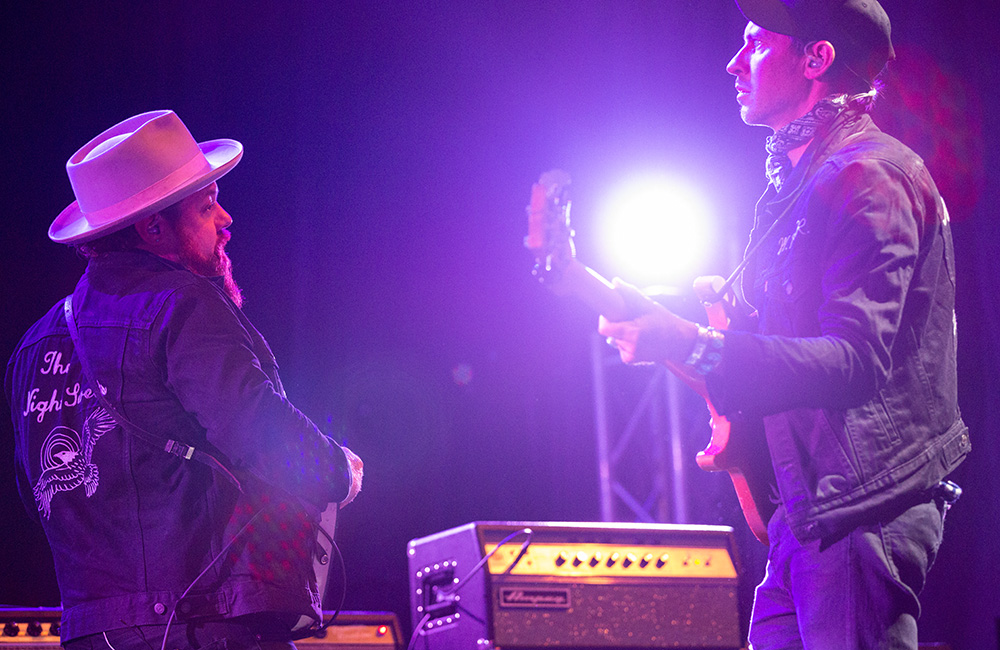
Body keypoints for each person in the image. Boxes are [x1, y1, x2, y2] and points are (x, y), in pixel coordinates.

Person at [597, 0, 970, 647]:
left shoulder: (868, 176)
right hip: (813, 514)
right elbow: (773, 352)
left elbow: (855, 363)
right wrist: (691, 326)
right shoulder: (797, 186)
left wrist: (694, 343)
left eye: (755, 44)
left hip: (864, 508)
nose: (734, 63)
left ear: (816, 58)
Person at [5, 110, 364, 650]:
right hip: (201, 627)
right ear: (152, 226)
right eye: (205, 205)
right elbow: (258, 429)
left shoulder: (31, 347)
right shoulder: (182, 303)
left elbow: (36, 496)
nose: (225, 218)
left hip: (89, 634)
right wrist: (339, 470)